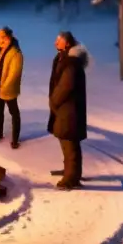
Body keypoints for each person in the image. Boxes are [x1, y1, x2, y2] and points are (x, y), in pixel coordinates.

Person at [48, 31, 89, 190]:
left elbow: (66, 85)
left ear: (67, 43)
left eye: (58, 40)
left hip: (69, 109)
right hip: (64, 108)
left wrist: (54, 100)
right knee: (65, 140)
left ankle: (72, 178)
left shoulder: (72, 62)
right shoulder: (63, 58)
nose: (55, 42)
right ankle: (69, 170)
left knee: (70, 142)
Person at [0, 26, 24, 149]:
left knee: (14, 113)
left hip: (8, 91)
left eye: (0, 36)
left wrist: (4, 87)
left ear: (6, 38)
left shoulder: (15, 53)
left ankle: (15, 140)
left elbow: (14, 74)